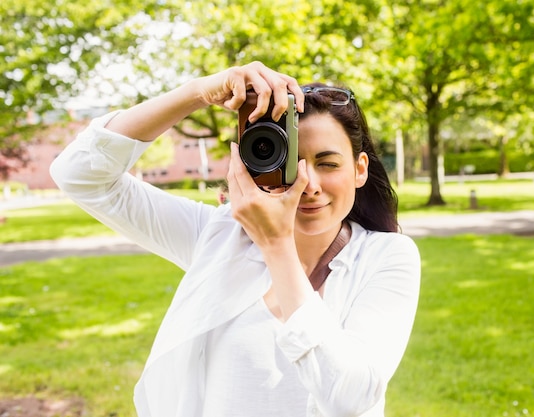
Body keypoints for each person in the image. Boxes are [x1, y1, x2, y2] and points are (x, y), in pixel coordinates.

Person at [50, 61, 420, 417]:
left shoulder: (386, 256)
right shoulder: (218, 237)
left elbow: (349, 397)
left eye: (328, 163)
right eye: (288, 162)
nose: (308, 183)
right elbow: (80, 174)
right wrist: (199, 92)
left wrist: (277, 246)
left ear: (359, 170)